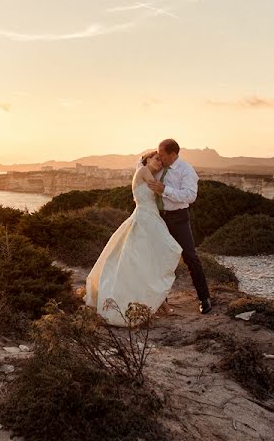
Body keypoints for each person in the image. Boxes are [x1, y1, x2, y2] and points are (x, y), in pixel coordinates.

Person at [84, 150, 183, 326]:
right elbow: (160, 190)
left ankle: (159, 302)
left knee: (149, 259)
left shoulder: (148, 173)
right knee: (165, 251)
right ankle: (155, 303)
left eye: (161, 160)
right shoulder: (144, 170)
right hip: (145, 218)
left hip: (150, 217)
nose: (160, 162)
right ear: (146, 159)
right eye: (156, 158)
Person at [147, 138, 212, 314]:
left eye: (162, 154)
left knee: (190, 257)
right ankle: (161, 301)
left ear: (173, 154)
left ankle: (204, 298)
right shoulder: (158, 167)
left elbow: (190, 196)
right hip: (158, 217)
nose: (159, 157)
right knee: (159, 259)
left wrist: (164, 190)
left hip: (178, 218)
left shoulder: (186, 170)